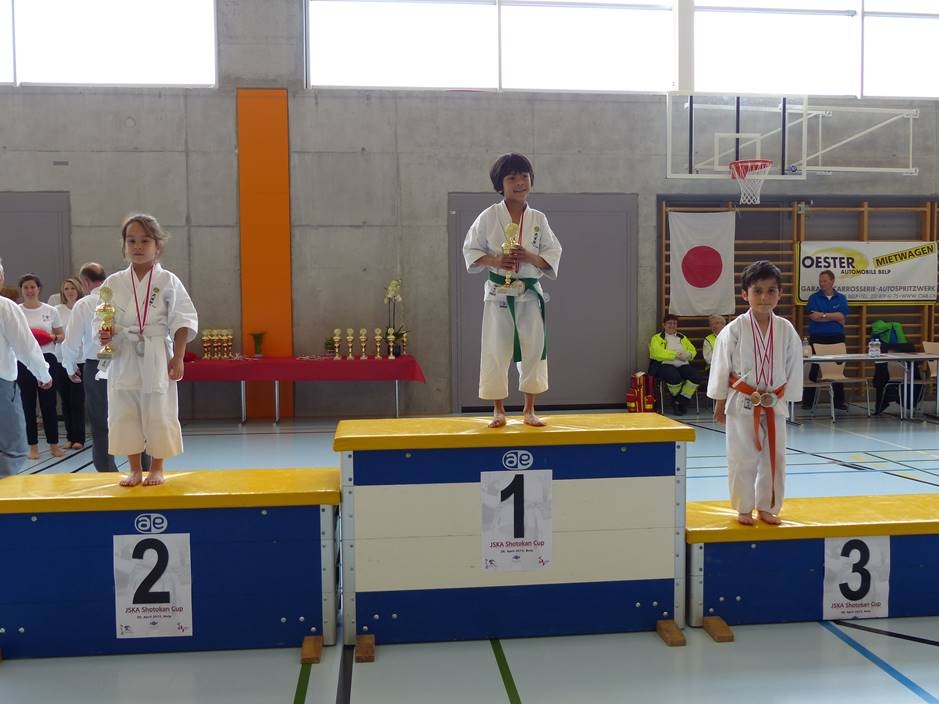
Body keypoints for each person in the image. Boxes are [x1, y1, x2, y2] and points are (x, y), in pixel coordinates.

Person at [462, 153, 562, 428]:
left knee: (534, 348)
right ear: (500, 184)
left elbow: (552, 254)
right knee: (496, 348)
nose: (520, 182)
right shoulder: (488, 216)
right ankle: (498, 410)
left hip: (529, 294)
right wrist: (496, 261)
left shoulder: (539, 219)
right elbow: (470, 250)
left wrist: (529, 256)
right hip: (498, 293)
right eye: (512, 178)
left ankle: (529, 410)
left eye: (524, 176)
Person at [99, 214, 198, 486]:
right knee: (124, 410)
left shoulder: (167, 280)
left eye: (145, 241)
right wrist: (105, 333)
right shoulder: (113, 283)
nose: (138, 246)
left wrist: (179, 357)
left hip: (156, 351)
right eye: (131, 241)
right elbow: (102, 318)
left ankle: (156, 467)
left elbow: (183, 320)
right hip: (124, 351)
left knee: (158, 409)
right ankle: (133, 468)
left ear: (158, 245)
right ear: (124, 245)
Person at [707, 261, 803, 526]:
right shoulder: (734, 329)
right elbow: (721, 366)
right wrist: (719, 402)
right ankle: (743, 507)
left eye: (771, 291)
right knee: (742, 457)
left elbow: (793, 365)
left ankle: (768, 506)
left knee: (776, 457)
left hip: (774, 401)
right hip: (742, 402)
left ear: (780, 294)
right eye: (757, 291)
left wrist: (789, 398)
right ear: (744, 294)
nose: (764, 297)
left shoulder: (785, 329)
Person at [62, 263, 125, 472]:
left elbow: (71, 342)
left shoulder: (83, 304)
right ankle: (142, 468)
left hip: (96, 365)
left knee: (100, 421)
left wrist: (70, 367)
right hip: (125, 363)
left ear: (85, 282)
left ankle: (107, 471)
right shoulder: (121, 299)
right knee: (135, 417)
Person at [0, 258, 53, 477]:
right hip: (2, 383)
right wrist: (43, 374)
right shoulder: (5, 307)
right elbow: (26, 346)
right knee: (12, 448)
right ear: (1, 279)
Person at [17, 273, 64, 460]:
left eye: (32, 287)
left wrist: (50, 337)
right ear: (22, 290)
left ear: (39, 289)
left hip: (47, 358)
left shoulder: (51, 310)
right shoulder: (16, 310)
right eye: (26, 287)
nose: (29, 290)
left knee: (48, 403)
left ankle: (54, 444)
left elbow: (61, 335)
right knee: (27, 403)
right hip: (24, 361)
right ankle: (32, 446)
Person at [803, 270, 849, 411]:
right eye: (820, 281)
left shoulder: (841, 298)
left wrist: (822, 315)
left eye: (824, 281)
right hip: (817, 337)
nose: (822, 283)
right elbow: (814, 317)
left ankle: (838, 402)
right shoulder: (813, 298)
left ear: (832, 281)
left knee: (837, 368)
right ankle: (808, 402)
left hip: (836, 337)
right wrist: (833, 317)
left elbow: (842, 317)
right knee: (813, 369)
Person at [648, 314, 702, 416]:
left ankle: (680, 401)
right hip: (665, 364)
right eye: (669, 323)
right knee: (674, 377)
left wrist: (688, 355)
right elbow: (657, 353)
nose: (672, 325)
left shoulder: (682, 337)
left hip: (683, 364)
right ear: (664, 325)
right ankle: (678, 403)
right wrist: (675, 355)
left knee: (696, 377)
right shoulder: (657, 338)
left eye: (674, 323)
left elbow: (692, 350)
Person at [54, 276, 86, 450]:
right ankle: (70, 436)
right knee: (65, 400)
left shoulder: (83, 307)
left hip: (80, 360)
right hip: (61, 360)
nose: (69, 291)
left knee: (77, 401)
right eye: (66, 288)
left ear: (78, 289)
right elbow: (54, 333)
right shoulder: (57, 310)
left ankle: (79, 437)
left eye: (72, 288)